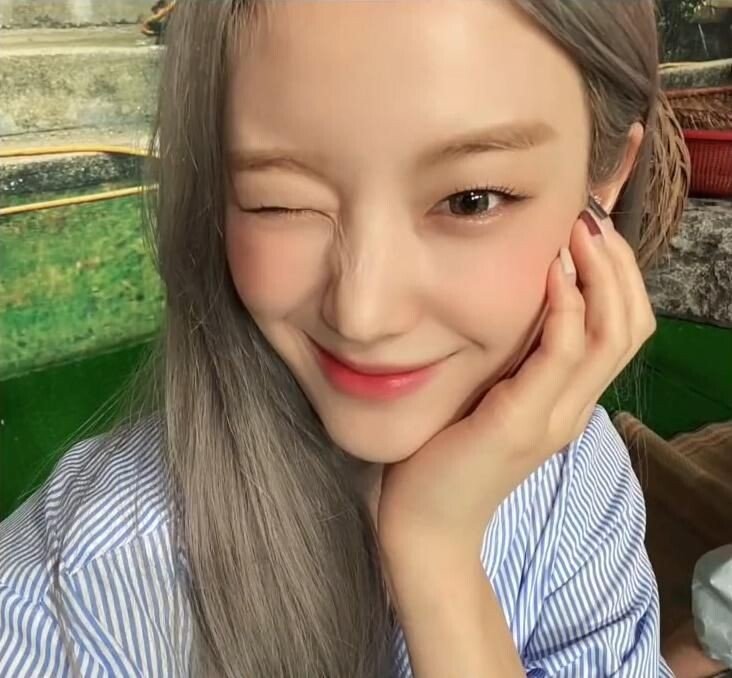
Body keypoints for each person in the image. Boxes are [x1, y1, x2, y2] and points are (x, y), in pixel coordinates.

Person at [0, 1, 688, 675]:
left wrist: (437, 555)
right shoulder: (70, 600)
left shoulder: (578, 476)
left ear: (604, 180)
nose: (364, 314)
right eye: (280, 202)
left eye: (470, 200)